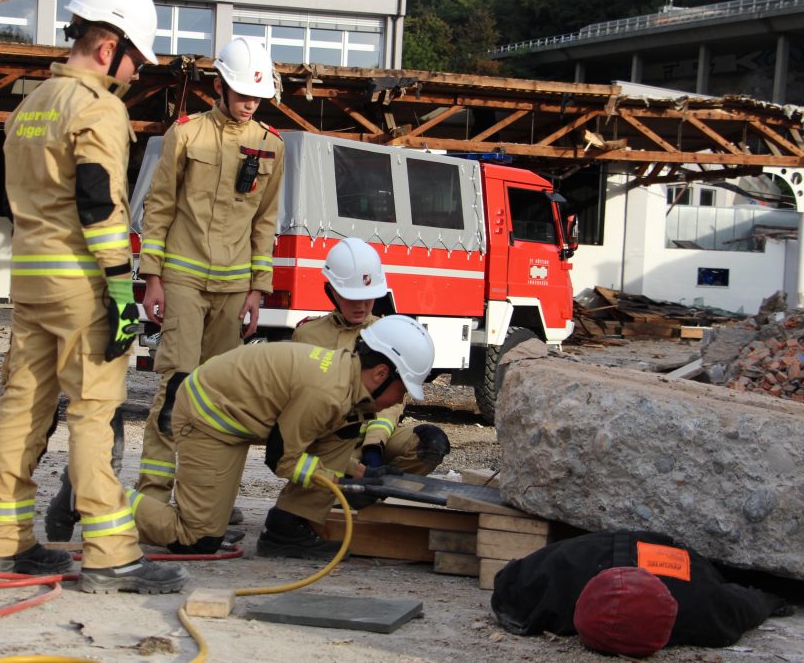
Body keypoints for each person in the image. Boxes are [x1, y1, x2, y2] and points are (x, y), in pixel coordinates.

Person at [0, 0, 187, 595]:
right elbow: (99, 205)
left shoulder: (29, 105)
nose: (134, 75)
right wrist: (122, 287)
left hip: (29, 280)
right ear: (109, 45)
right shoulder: (98, 108)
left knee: (24, 405)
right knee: (94, 412)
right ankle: (110, 552)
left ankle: (3, 541)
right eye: (135, 61)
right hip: (81, 284)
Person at [126, 315, 436, 555]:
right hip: (208, 416)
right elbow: (282, 461)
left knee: (346, 429)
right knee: (196, 538)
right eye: (403, 388)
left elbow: (331, 444)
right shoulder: (326, 394)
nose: (400, 399)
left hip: (237, 413)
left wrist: (364, 473)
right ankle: (99, 499)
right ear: (381, 374)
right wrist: (342, 484)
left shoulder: (348, 382)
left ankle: (287, 527)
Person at [135, 37, 285, 518]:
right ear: (218, 85)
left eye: (256, 97)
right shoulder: (187, 135)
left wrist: (258, 290)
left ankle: (208, 497)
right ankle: (154, 494)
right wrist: (152, 277)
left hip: (234, 287)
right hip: (180, 277)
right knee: (176, 385)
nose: (247, 104)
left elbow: (266, 222)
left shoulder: (270, 146)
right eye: (241, 93)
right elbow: (158, 207)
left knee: (220, 395)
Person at [257, 238, 451, 558]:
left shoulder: (388, 332)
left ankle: (354, 496)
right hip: (326, 437)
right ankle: (318, 500)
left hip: (370, 436)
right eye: (351, 296)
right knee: (325, 449)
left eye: (368, 296)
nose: (361, 305)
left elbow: (394, 403)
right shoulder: (308, 334)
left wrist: (374, 445)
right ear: (331, 291)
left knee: (428, 444)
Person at [491, 530, 792, 656]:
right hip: (682, 563)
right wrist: (773, 599)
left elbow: (507, 584)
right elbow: (749, 603)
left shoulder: (564, 571)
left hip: (614, 550)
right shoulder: (705, 609)